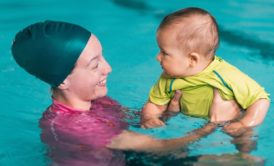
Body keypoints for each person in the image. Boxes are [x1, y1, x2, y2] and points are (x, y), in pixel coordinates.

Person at [11, 20, 217, 166]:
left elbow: (135, 121)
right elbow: (162, 146)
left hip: (121, 156)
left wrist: (168, 112)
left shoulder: (97, 101)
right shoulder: (76, 127)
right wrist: (213, 125)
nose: (108, 68)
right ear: (63, 79)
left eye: (102, 57)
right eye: (94, 65)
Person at [140, 7, 270, 137]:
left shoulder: (226, 76)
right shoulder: (168, 79)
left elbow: (260, 100)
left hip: (231, 122)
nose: (157, 57)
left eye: (164, 53)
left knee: (244, 139)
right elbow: (155, 105)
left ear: (192, 59)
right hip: (193, 125)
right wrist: (149, 118)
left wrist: (244, 124)